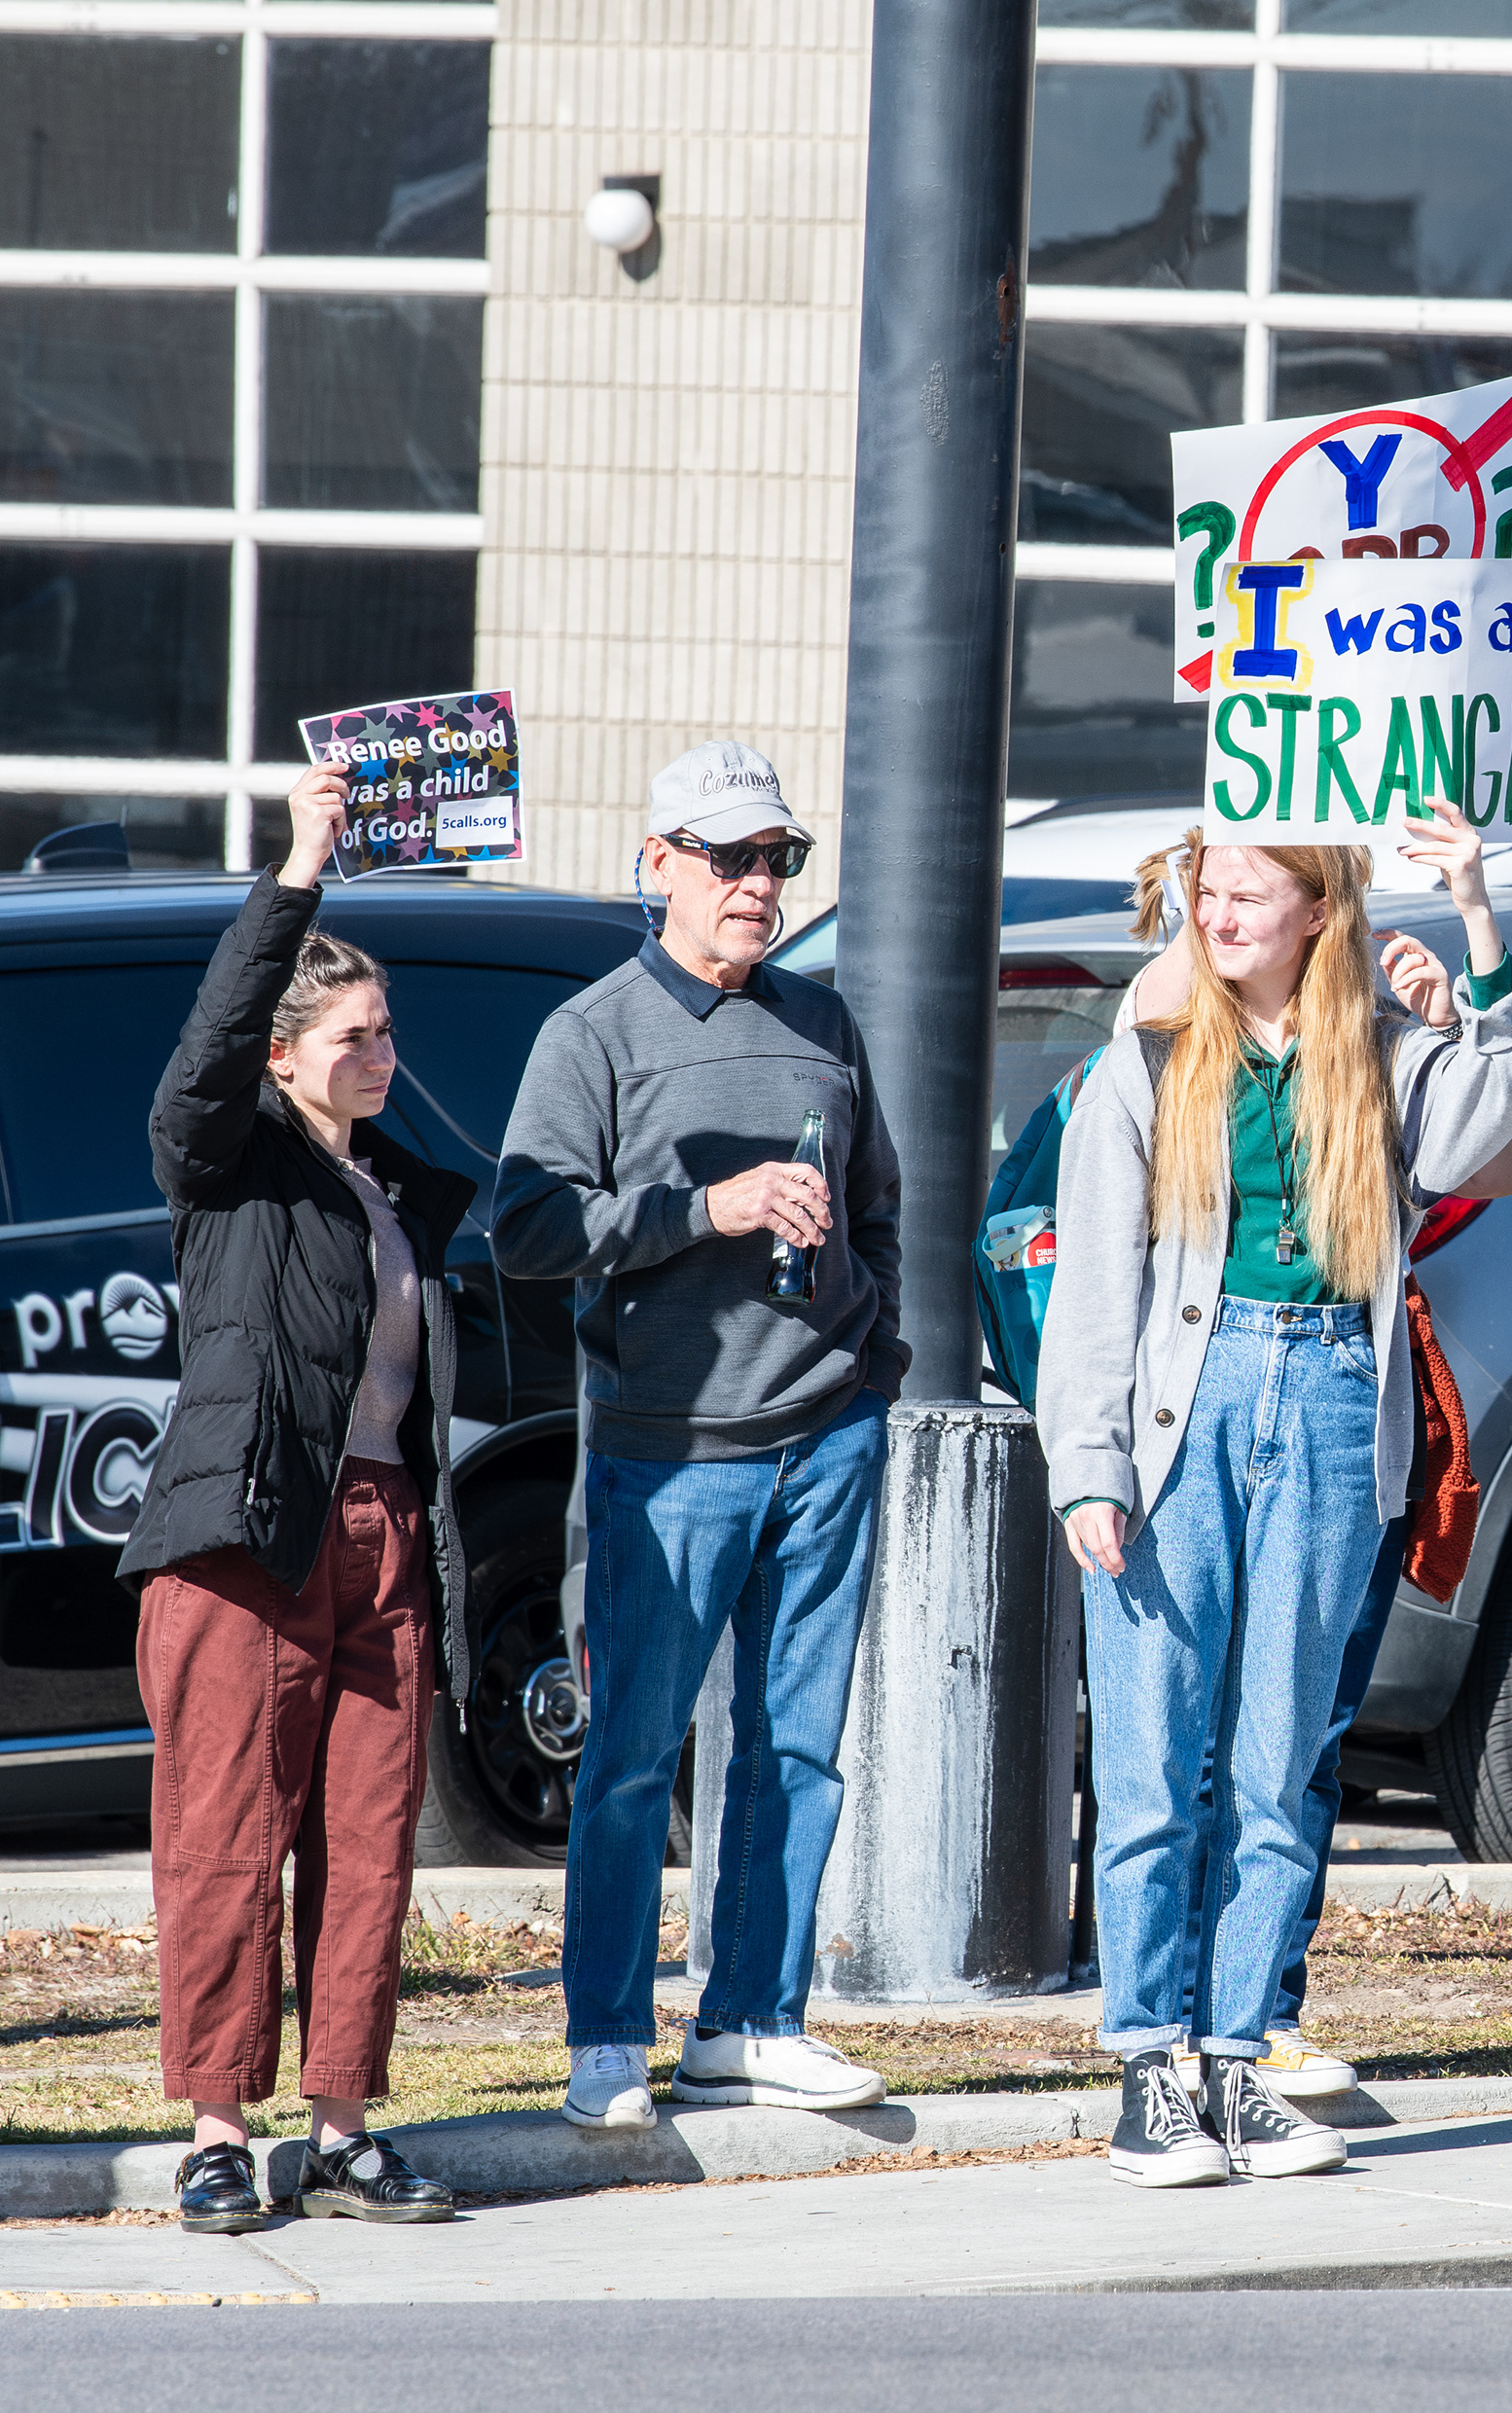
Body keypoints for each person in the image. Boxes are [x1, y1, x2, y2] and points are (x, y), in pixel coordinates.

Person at [1041, 810, 1512, 2187]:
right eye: (1210, 891)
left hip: (1329, 1402)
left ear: (1320, 910)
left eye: (1253, 892)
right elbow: (1092, 1284)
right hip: (1182, 1415)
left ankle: (1238, 2051)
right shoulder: (1147, 1063)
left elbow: (1494, 1106)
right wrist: (1088, 1467)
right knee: (1153, 1754)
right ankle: (1149, 2056)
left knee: (1283, 1760)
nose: (1223, 913)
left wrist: (1477, 908)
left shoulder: (1375, 1057)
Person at [496, 740, 906, 2131]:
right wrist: (704, 1212)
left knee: (798, 1751)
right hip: (667, 1453)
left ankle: (752, 2019)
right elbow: (531, 1229)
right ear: (657, 863)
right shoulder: (593, 1034)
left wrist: (871, 1368)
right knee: (634, 1754)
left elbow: (881, 1211)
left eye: (777, 859)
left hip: (823, 1436)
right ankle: (608, 2032)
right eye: (729, 859)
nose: (757, 885)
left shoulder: (824, 1024)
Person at [131, 763, 473, 2233]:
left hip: (383, 1534)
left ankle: (338, 2129)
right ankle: (219, 2130)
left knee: (370, 1833)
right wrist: (303, 869)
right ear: (283, 1056)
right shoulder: (232, 1168)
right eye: (353, 1036)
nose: (381, 1055)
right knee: (226, 1832)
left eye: (390, 1033)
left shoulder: (389, 1186)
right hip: (246, 1539)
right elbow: (204, 1053)